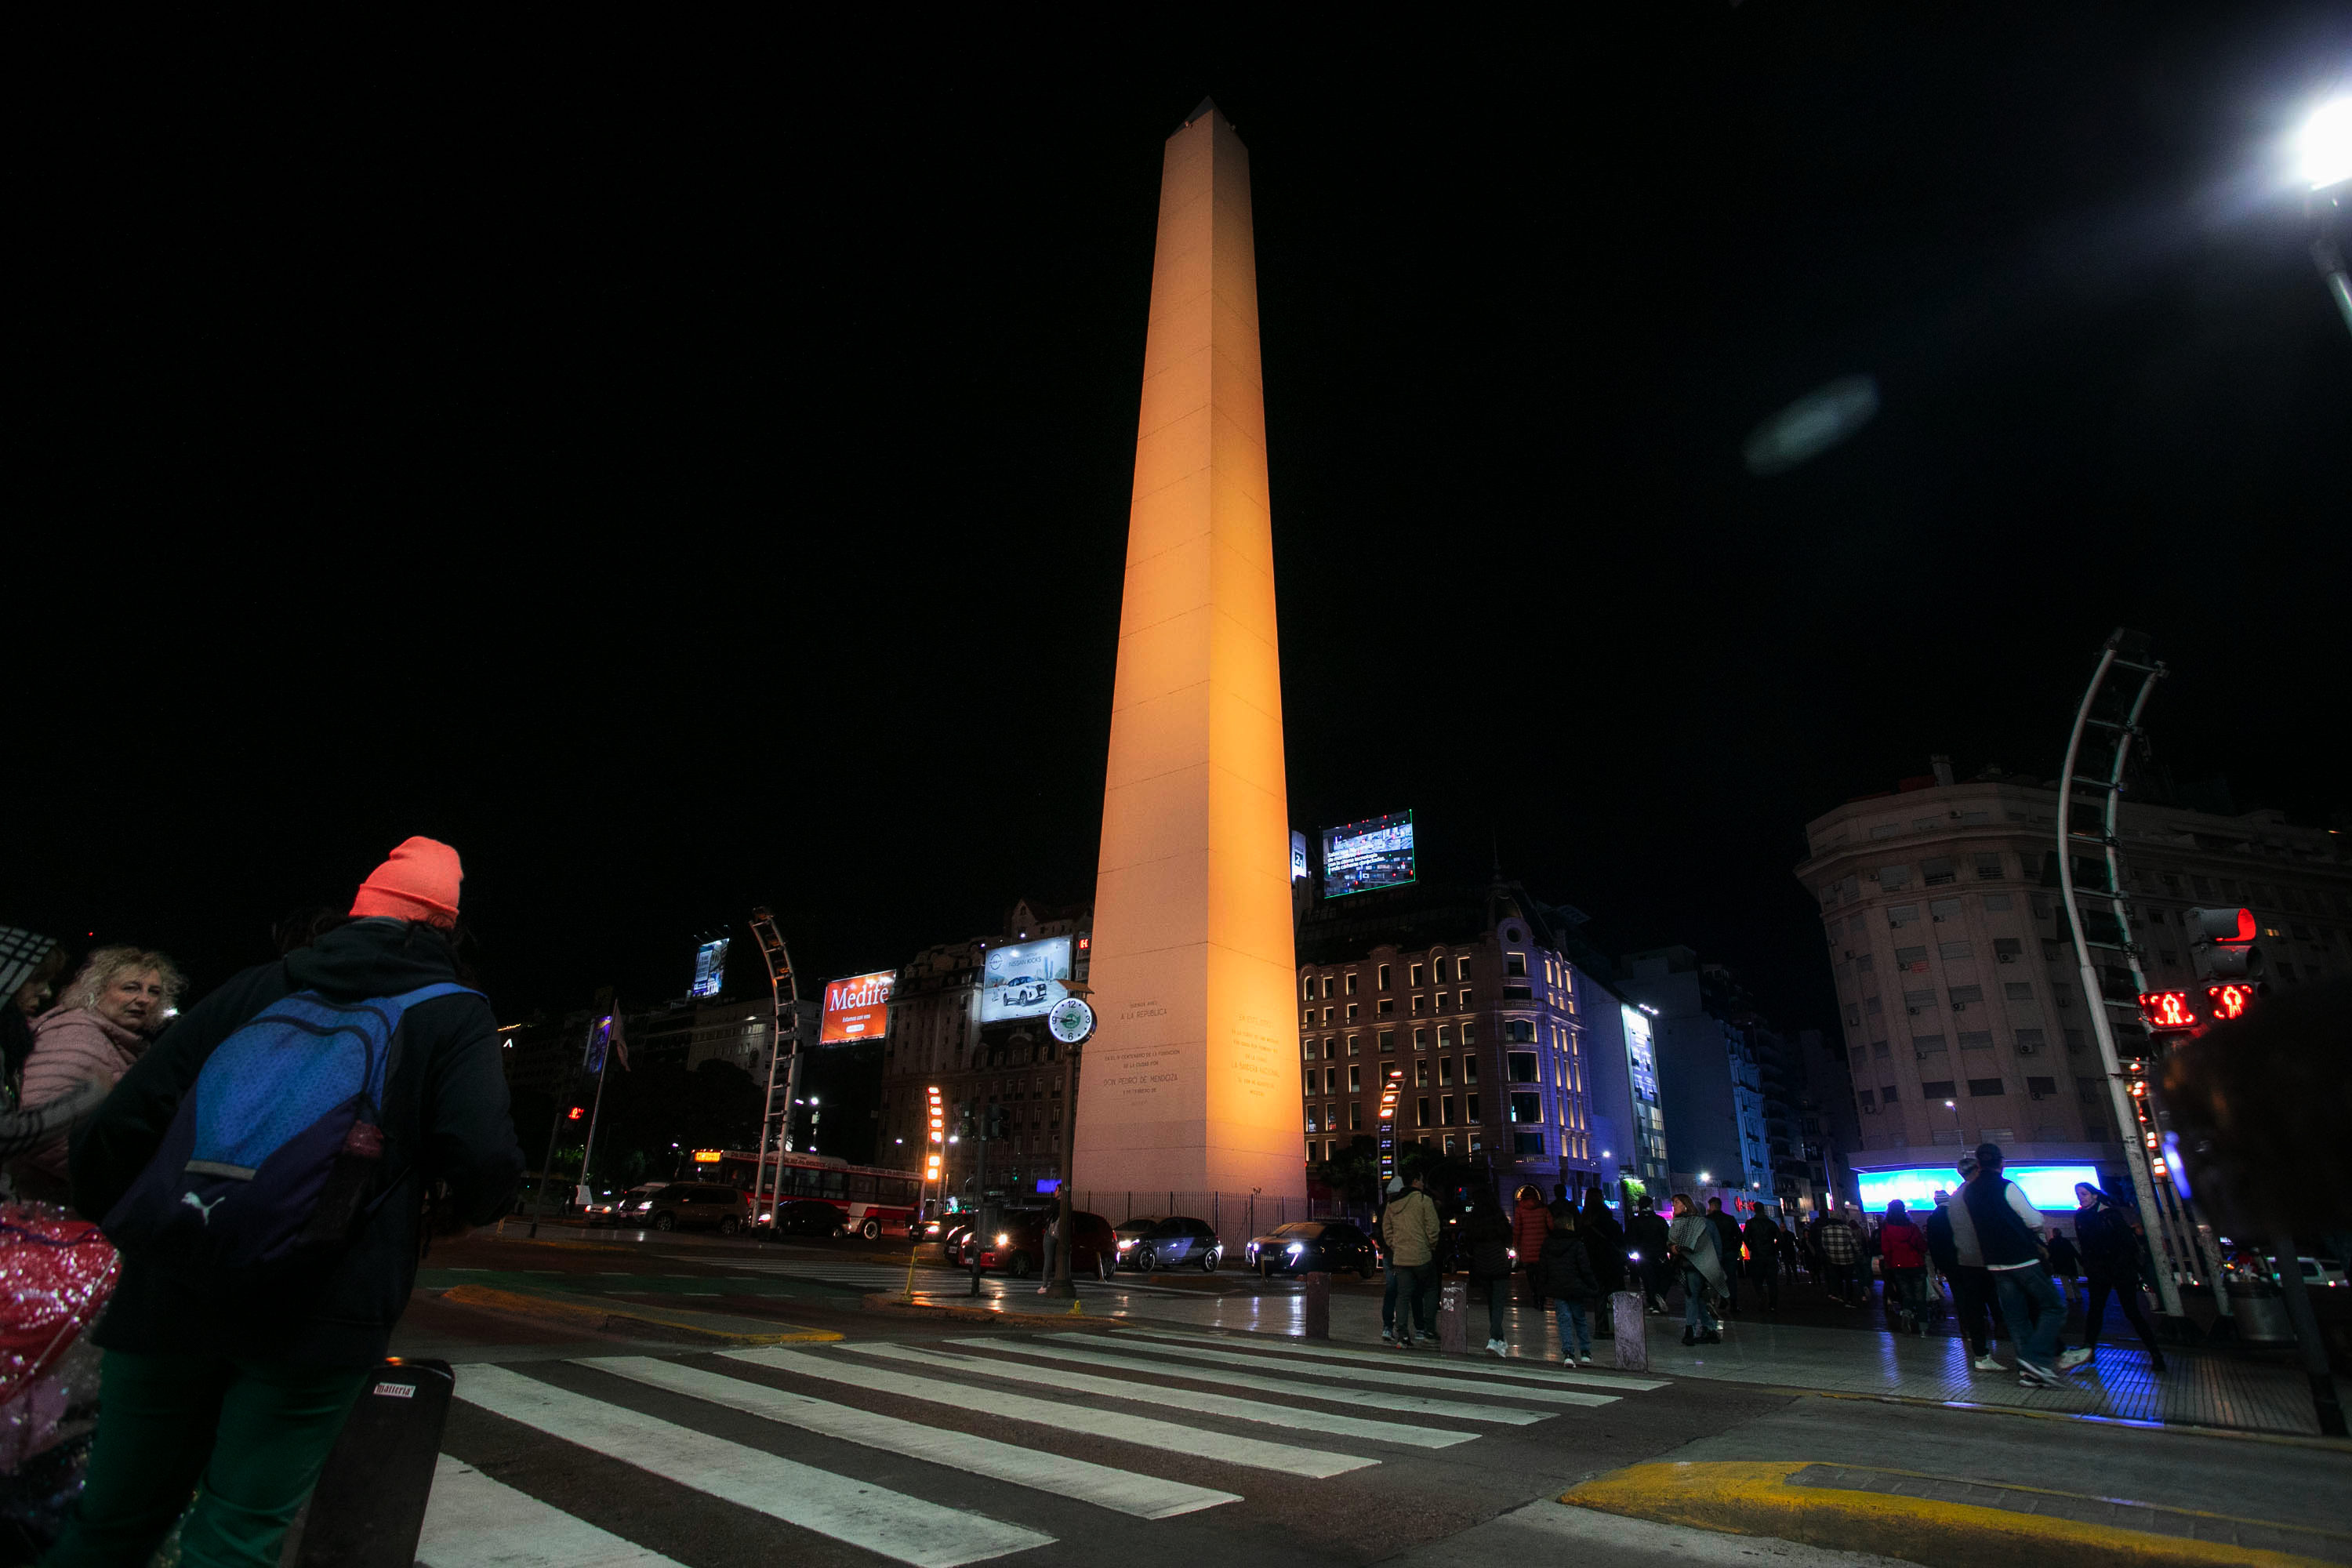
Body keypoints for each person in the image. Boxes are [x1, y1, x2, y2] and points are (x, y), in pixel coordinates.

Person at [46, 837, 525, 1568]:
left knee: (110, 1523)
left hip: (171, 1288)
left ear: (358, 910)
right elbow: (486, 1158)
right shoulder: (452, 1012)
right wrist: (459, 1210)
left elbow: (119, 1126)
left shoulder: (258, 986)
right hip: (322, 1305)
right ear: (446, 928)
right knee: (238, 1532)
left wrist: (141, 1230)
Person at [9, 946, 184, 1207]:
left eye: (154, 992)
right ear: (96, 990)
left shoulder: (112, 1041)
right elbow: (38, 1134)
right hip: (42, 1209)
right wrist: (104, 1181)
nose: (144, 1000)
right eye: (130, 988)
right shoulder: (76, 1037)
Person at [1962, 1142, 2066, 1387]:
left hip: (1995, 1263)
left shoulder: (1970, 1192)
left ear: (1979, 1164)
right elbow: (2034, 1220)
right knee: (2053, 1307)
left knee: (2016, 1318)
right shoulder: (2007, 1186)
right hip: (2022, 1259)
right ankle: (2035, 1359)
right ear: (2002, 1163)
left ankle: (2028, 1372)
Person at [2066, 1182, 2165, 1373]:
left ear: (2095, 1195)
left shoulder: (2105, 1215)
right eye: (2078, 1194)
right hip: (2106, 1270)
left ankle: (2153, 1353)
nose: (2081, 1197)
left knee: (2120, 1311)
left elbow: (2124, 1243)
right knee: (2107, 1311)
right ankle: (2154, 1354)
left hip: (2115, 1270)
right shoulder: (2089, 1215)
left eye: (2084, 1194)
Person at [1925, 1160, 2002, 1371]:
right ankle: (1997, 1324)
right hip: (1971, 1258)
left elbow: (1933, 1244)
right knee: (1989, 1293)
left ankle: (1968, 1328)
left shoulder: (1934, 1219)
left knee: (1962, 1297)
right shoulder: (1962, 1205)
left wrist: (1940, 1265)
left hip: (1951, 1264)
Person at [1379, 1171, 1442, 1348]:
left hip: (1401, 1257)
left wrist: (1395, 1246)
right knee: (1430, 1289)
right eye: (1421, 1181)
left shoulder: (1393, 1204)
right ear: (1415, 1182)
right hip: (1422, 1255)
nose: (1423, 1184)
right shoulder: (1423, 1200)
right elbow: (1433, 1228)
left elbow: (1387, 1230)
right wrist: (1430, 1245)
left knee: (1403, 1295)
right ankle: (1429, 1330)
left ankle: (1403, 1334)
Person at [1539, 1206, 1601, 1364]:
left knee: (1564, 1319)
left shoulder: (1548, 1244)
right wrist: (1593, 1285)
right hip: (1575, 1287)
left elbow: (1543, 1268)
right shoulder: (1577, 1244)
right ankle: (1585, 1351)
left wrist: (1542, 1287)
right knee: (1579, 1318)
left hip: (1557, 1287)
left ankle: (1568, 1353)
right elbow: (1585, 1268)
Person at [1666, 1194, 1725, 1345]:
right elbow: (1717, 1247)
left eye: (1676, 1203)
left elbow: (1677, 1245)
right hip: (1706, 1266)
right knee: (1698, 1297)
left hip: (1691, 1265)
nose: (1674, 1206)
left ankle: (1690, 1331)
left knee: (1692, 1297)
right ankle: (1709, 1328)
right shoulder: (1708, 1224)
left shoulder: (1684, 1224)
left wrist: (1674, 1248)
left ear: (1686, 1206)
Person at [1467, 1196, 1516, 1355]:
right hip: (1499, 1263)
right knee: (1498, 1302)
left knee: (1491, 1302)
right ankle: (1495, 1337)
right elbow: (1508, 1238)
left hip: (1482, 1265)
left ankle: (1498, 1337)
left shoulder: (1475, 1222)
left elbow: (1469, 1245)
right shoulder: (1499, 1219)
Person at [1878, 1200, 1930, 1334]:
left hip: (1898, 1266)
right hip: (1916, 1264)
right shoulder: (1912, 1227)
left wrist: (1890, 1264)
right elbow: (1922, 1246)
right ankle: (1923, 1327)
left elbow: (1886, 1249)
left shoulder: (1886, 1228)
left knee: (1906, 1295)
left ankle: (1906, 1313)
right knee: (1920, 1297)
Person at [1579, 1188, 1625, 1336]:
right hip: (1610, 1260)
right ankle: (1622, 1326)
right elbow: (1618, 1237)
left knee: (1599, 1294)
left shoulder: (1584, 1220)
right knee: (1617, 1293)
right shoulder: (1605, 1216)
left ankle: (1601, 1327)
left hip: (1593, 1261)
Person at [1626, 1196, 1673, 1315]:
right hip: (1659, 1254)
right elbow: (1668, 1236)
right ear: (1651, 1205)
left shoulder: (1634, 1222)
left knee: (1648, 1279)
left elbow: (1628, 1239)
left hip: (1642, 1255)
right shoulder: (1659, 1220)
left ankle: (1653, 1302)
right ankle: (1659, 1296)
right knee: (1666, 1275)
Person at [1511, 1184, 1552, 1309]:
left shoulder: (1520, 1209)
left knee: (1530, 1274)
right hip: (1542, 1247)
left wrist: (1516, 1244)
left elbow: (1517, 1230)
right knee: (1541, 1274)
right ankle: (1541, 1296)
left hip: (1527, 1247)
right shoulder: (1544, 1208)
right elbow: (1551, 1226)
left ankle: (1534, 1295)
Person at [1814, 1203, 1864, 1306]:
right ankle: (1849, 1299)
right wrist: (1859, 1253)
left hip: (1834, 1259)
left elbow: (1824, 1245)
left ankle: (1840, 1295)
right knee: (1848, 1279)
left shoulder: (1825, 1229)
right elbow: (1854, 1243)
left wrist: (1830, 1253)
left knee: (1838, 1278)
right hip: (1847, 1258)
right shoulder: (1846, 1229)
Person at [1741, 1204, 1782, 1316]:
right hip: (1770, 1254)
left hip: (1757, 1254)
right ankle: (1773, 1303)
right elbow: (1780, 1238)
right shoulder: (1771, 1223)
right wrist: (1775, 1249)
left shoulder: (1751, 1223)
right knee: (1772, 1282)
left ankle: (1761, 1295)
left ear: (1754, 1210)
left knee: (1757, 1280)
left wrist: (1751, 1247)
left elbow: (1745, 1237)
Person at [1705, 1197, 1743, 1314]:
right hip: (1729, 1251)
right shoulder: (1730, 1219)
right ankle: (1733, 1303)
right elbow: (1739, 1235)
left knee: (1715, 1278)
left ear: (1712, 1206)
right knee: (1731, 1279)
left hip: (1714, 1253)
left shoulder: (1708, 1220)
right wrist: (1736, 1249)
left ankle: (1717, 1301)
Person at [2045, 1225, 2082, 1316]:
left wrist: (2049, 1263)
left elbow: (2050, 1253)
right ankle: (2078, 1295)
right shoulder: (2066, 1241)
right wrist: (2081, 1261)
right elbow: (2074, 1251)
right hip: (2070, 1264)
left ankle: (2070, 1296)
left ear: (2054, 1234)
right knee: (2074, 1280)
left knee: (2065, 1282)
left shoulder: (2052, 1242)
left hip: (2060, 1265)